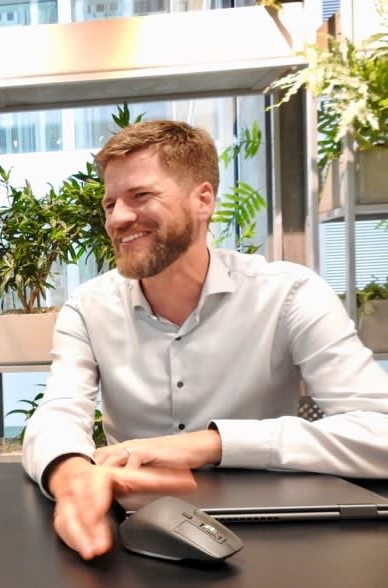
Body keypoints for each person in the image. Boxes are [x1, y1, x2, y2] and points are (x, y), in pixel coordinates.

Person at [22, 120, 388, 561]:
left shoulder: (288, 294)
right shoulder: (88, 306)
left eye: (141, 196)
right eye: (110, 203)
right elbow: (57, 414)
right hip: (135, 536)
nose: (118, 218)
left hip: (278, 540)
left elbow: (379, 429)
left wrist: (208, 444)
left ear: (204, 200)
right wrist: (74, 476)